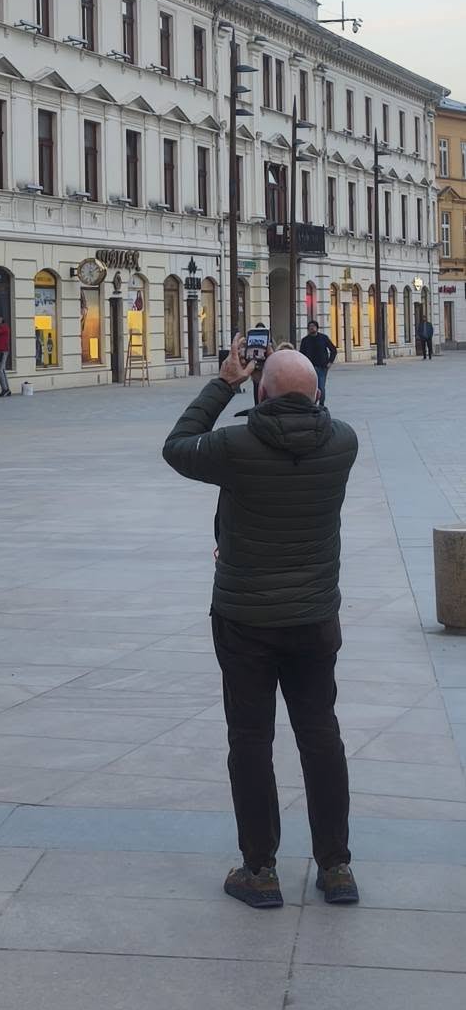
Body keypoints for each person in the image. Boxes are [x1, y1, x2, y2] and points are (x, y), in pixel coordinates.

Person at [163, 334, 359, 910]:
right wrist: (284, 379)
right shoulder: (342, 442)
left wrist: (226, 382)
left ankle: (260, 871)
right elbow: (311, 415)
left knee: (251, 741)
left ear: (260, 391)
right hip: (315, 618)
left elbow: (177, 445)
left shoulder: (236, 445)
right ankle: (337, 867)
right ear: (319, 390)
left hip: (245, 619)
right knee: (321, 736)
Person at [299, 318, 338, 403]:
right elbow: (301, 354)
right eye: (310, 327)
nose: (311, 328)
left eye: (313, 326)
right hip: (309, 368)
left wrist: (330, 362)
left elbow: (333, 350)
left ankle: (321, 405)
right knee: (310, 387)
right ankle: (312, 404)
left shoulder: (323, 338)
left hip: (322, 367)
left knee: (321, 387)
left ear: (317, 328)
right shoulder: (305, 340)